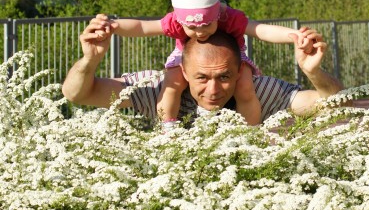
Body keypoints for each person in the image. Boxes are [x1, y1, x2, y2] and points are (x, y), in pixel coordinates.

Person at [107, 0, 314, 126]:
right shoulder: (175, 21)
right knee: (171, 84)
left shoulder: (228, 17)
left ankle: (250, 131)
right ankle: (168, 127)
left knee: (244, 86)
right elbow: (142, 27)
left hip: (231, 58)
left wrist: (292, 35)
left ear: (216, 14)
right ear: (181, 21)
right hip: (185, 56)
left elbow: (260, 30)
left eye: (207, 24)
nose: (200, 32)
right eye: (192, 28)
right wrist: (114, 26)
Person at [62, 14, 345, 123]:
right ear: (182, 72)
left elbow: (332, 104)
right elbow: (78, 94)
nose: (213, 90)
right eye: (201, 77)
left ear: (240, 71)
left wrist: (313, 73)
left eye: (224, 77)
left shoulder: (258, 91)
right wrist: (89, 61)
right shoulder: (156, 89)